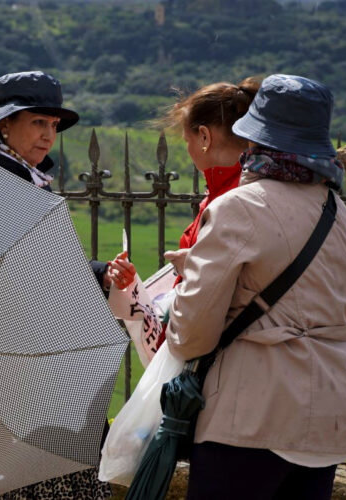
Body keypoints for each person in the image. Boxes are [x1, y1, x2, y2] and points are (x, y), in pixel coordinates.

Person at [165, 74, 346, 499]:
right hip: (332, 416)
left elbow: (192, 334)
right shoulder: (336, 210)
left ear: (255, 138)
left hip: (253, 418)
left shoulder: (239, 207)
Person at [0, 70, 111, 500]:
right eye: (37, 122)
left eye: (54, 125)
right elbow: (21, 277)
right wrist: (93, 279)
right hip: (15, 371)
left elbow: (40, 266)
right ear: (3, 126)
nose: (49, 135)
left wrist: (99, 273)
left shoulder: (18, 180)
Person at [107, 77, 260, 357]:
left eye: (187, 139)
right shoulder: (238, 188)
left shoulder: (230, 198)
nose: (188, 149)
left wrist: (195, 266)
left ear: (204, 137)